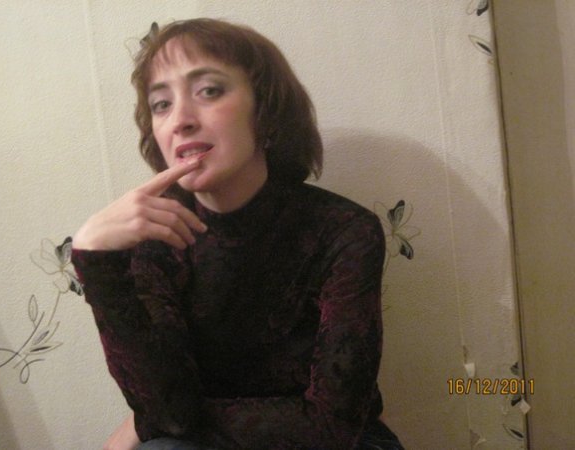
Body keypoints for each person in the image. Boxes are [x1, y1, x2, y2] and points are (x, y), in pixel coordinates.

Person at [71, 18, 403, 450]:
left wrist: (147, 424)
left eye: (209, 91)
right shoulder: (154, 241)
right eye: (161, 104)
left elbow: (332, 425)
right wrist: (95, 260)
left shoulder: (342, 230)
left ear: (266, 111)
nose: (180, 120)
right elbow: (170, 414)